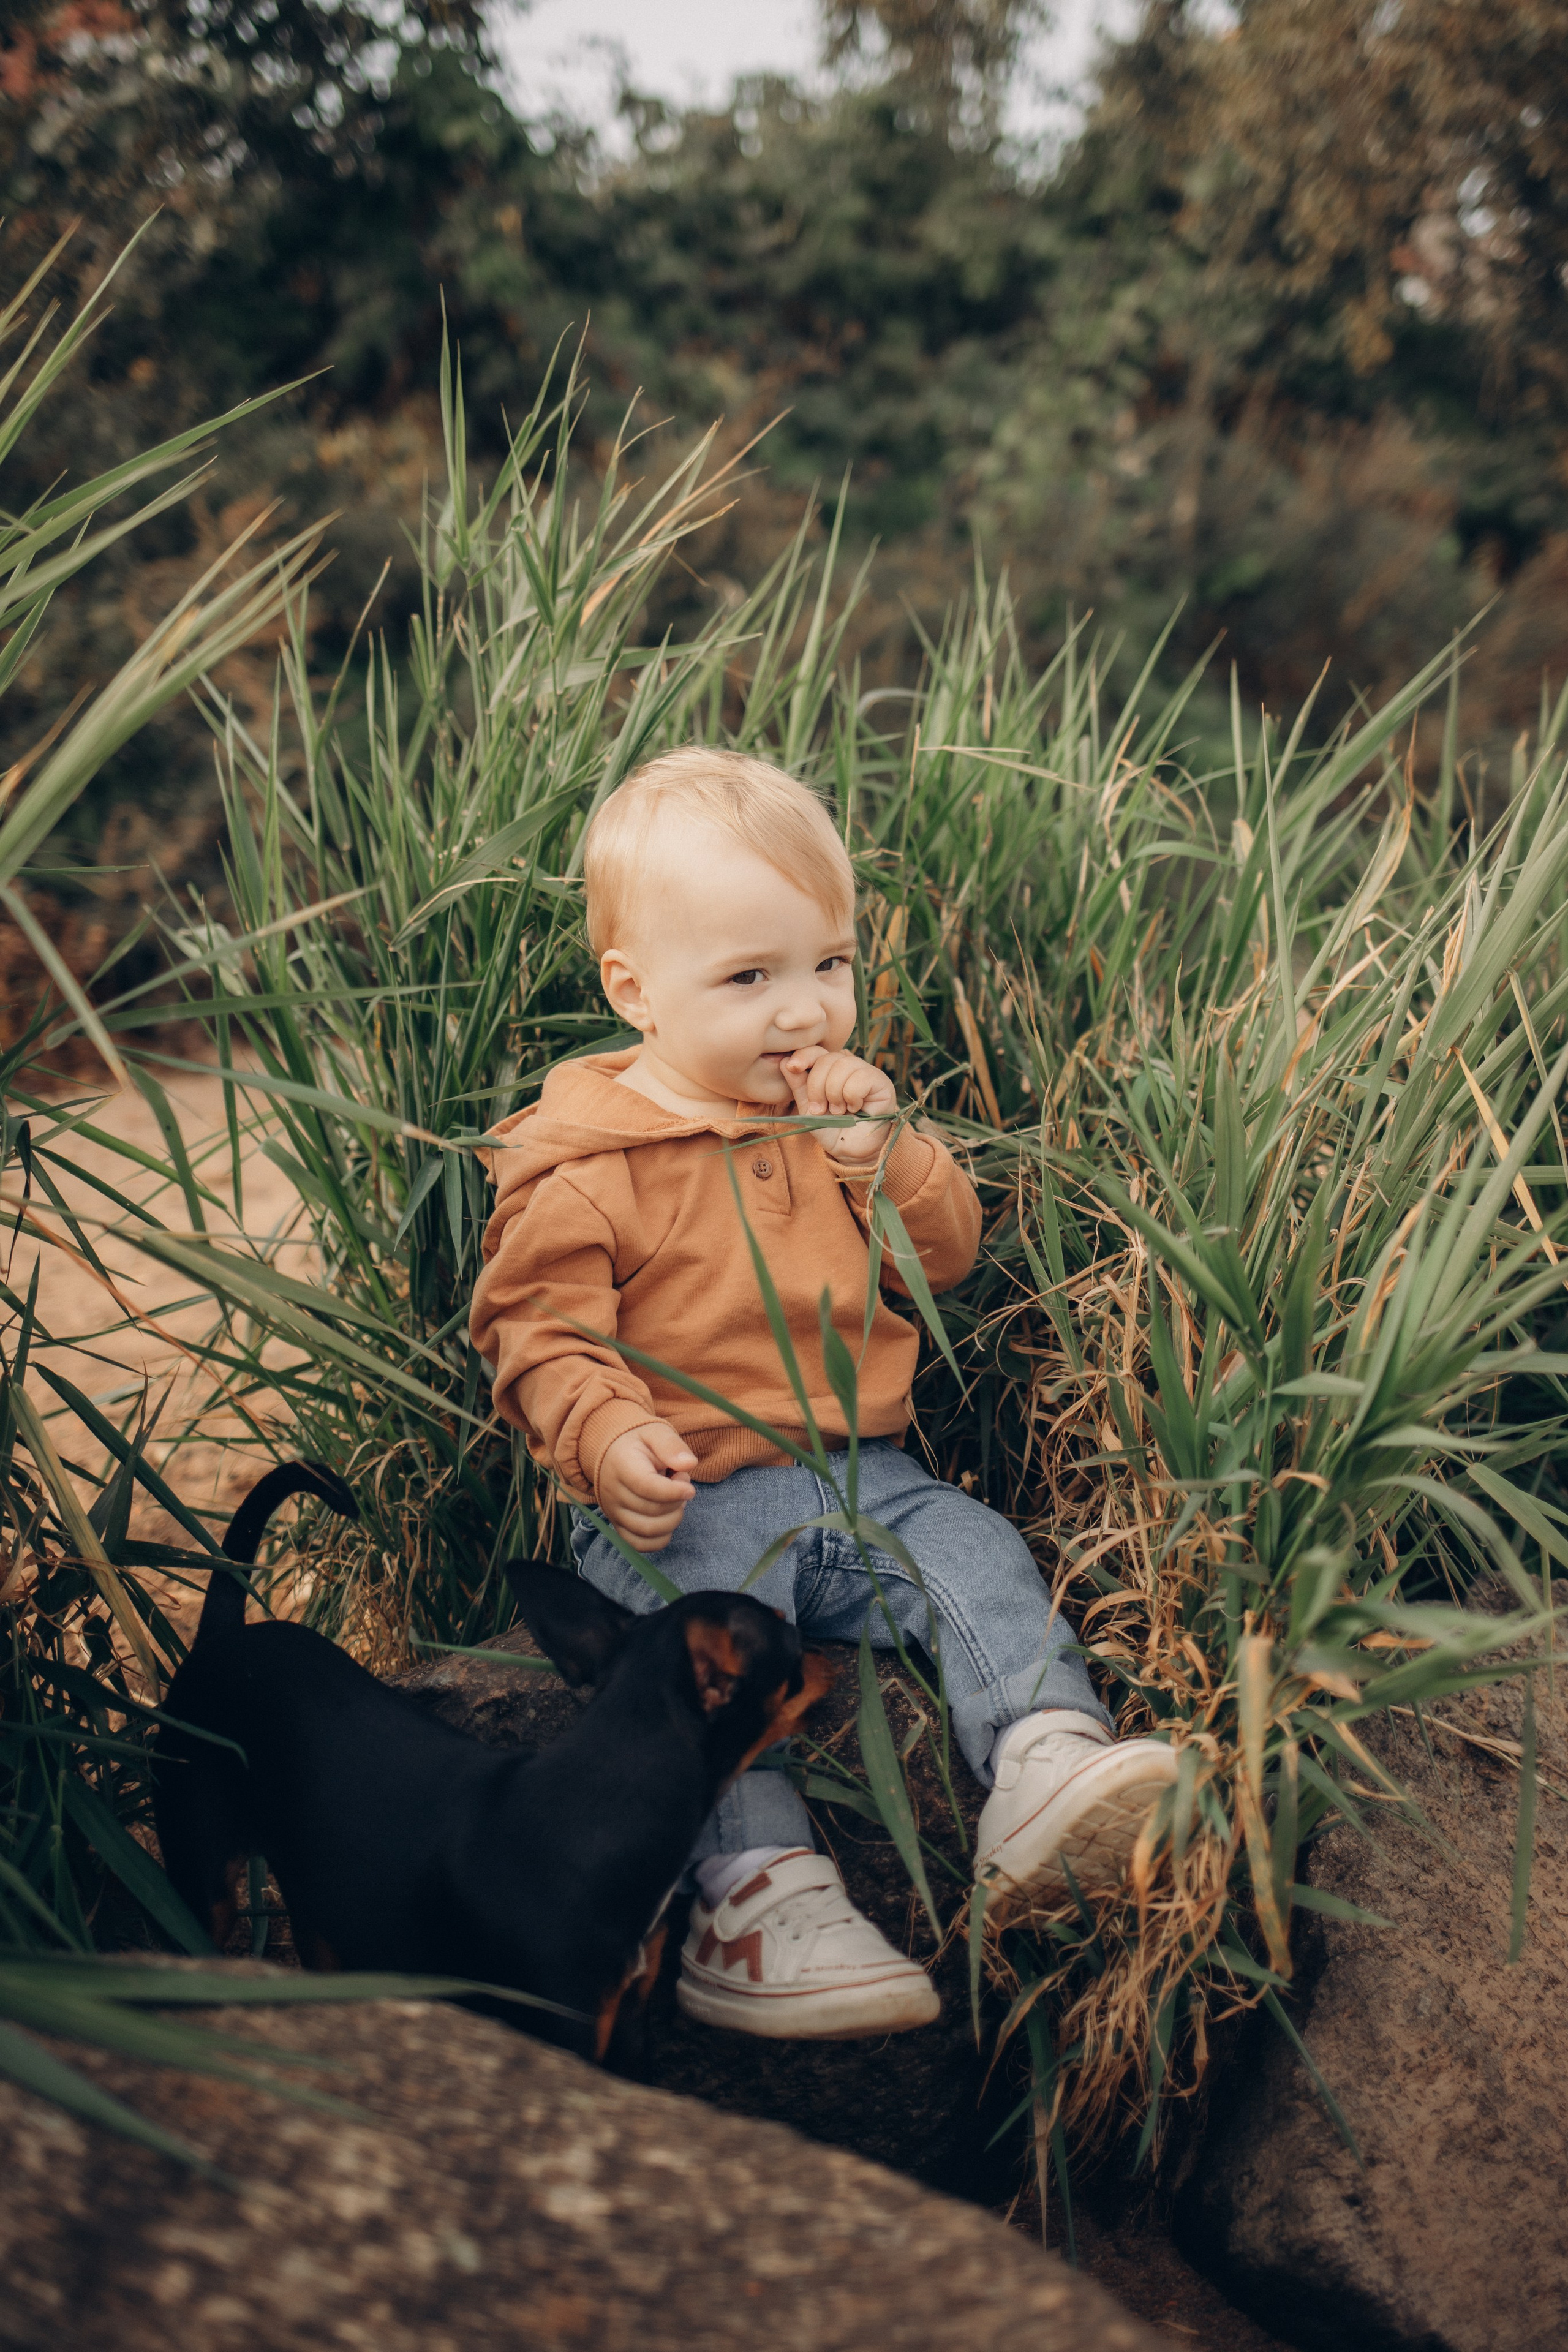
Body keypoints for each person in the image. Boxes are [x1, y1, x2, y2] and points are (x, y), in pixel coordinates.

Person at [470, 748, 1176, 2039]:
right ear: (634, 991)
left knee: (972, 1551)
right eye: (749, 978)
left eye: (828, 964)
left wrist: (882, 1157)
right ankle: (753, 1891)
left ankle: (1037, 1758)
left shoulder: (834, 1119)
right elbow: (533, 1330)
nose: (805, 1013)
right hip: (685, 1495)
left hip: (864, 1474)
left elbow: (944, 1258)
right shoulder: (584, 1161)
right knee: (698, 1650)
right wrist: (606, 1432)